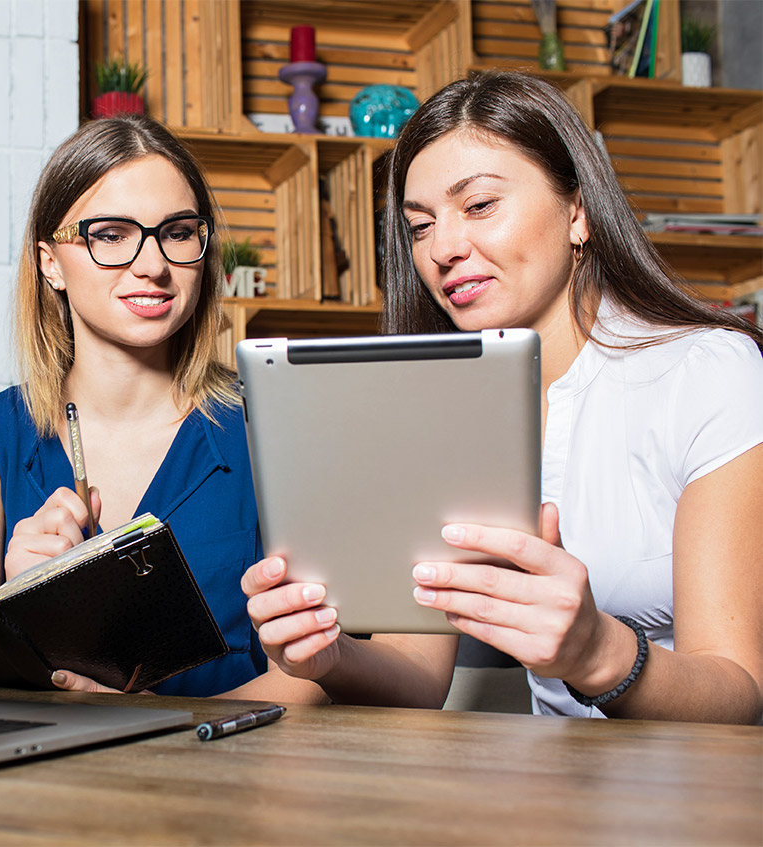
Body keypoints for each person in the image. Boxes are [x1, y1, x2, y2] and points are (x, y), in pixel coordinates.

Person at [242, 70, 763, 723]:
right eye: (421, 225)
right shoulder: (439, 409)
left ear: (578, 211)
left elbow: (738, 692)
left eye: (480, 205)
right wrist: (326, 655)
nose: (445, 248)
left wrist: (598, 652)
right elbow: (417, 677)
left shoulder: (709, 370)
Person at [0, 114, 322, 701]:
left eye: (175, 232)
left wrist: (165, 723)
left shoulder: (272, 429)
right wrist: (18, 611)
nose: (152, 265)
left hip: (235, 775)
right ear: (50, 263)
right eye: (111, 234)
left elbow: (324, 671)